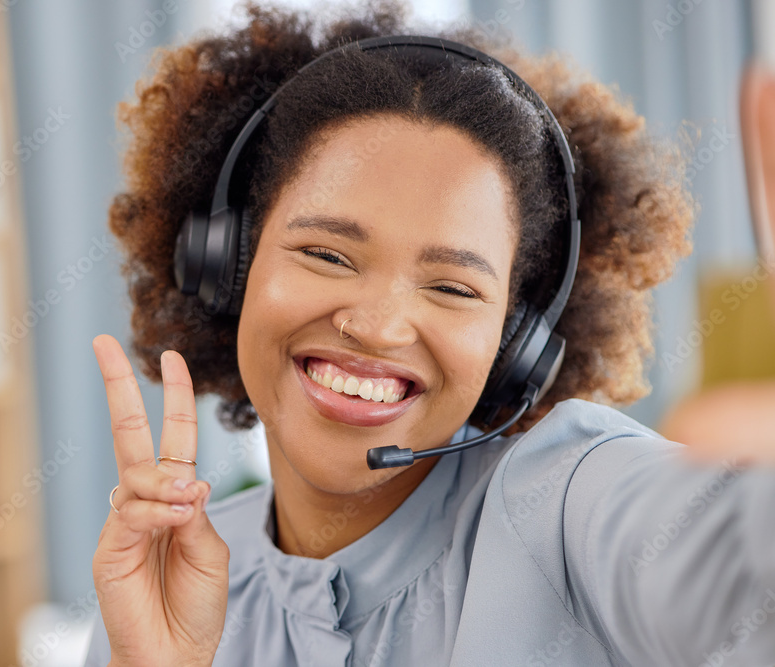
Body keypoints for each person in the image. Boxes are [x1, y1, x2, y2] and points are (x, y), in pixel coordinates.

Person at [84, 1, 775, 665]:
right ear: (226, 265)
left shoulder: (566, 500)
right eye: (327, 254)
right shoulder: (165, 577)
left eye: (452, 287)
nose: (378, 327)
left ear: (515, 346)